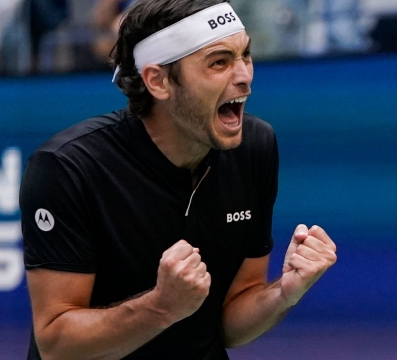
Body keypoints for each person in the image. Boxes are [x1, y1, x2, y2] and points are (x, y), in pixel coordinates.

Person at [19, 0, 338, 359]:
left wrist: (284, 293)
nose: (245, 75)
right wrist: (161, 306)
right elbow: (56, 344)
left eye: (245, 56)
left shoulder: (255, 147)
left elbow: (230, 323)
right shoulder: (66, 168)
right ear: (158, 80)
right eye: (219, 62)